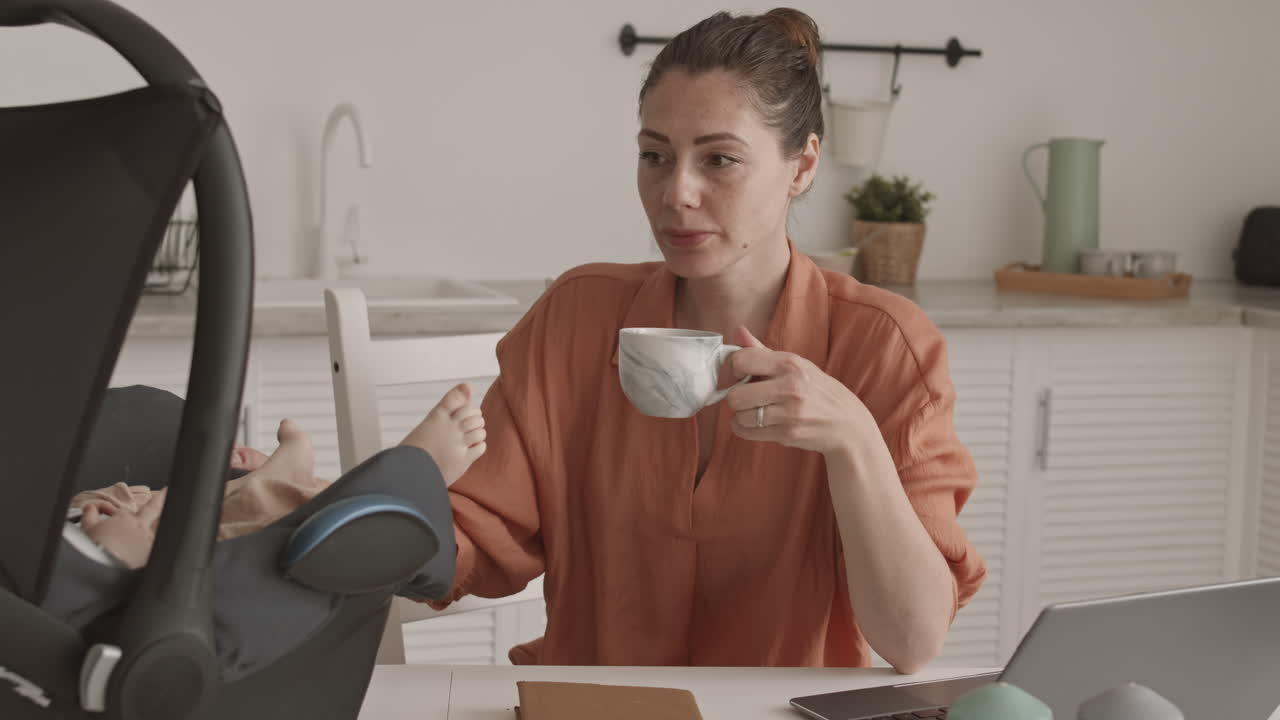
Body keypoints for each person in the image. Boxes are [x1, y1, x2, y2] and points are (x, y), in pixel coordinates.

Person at [428, 8, 986, 672]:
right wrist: (329, 512)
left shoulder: (888, 348)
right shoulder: (574, 319)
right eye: (655, 156)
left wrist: (853, 440)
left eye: (719, 159)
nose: (676, 193)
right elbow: (473, 537)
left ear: (803, 166)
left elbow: (912, 641)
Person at [70, 383, 486, 570]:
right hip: (107, 570)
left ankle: (261, 484)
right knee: (244, 536)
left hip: (81, 520)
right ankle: (398, 487)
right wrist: (107, 557)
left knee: (154, 502)